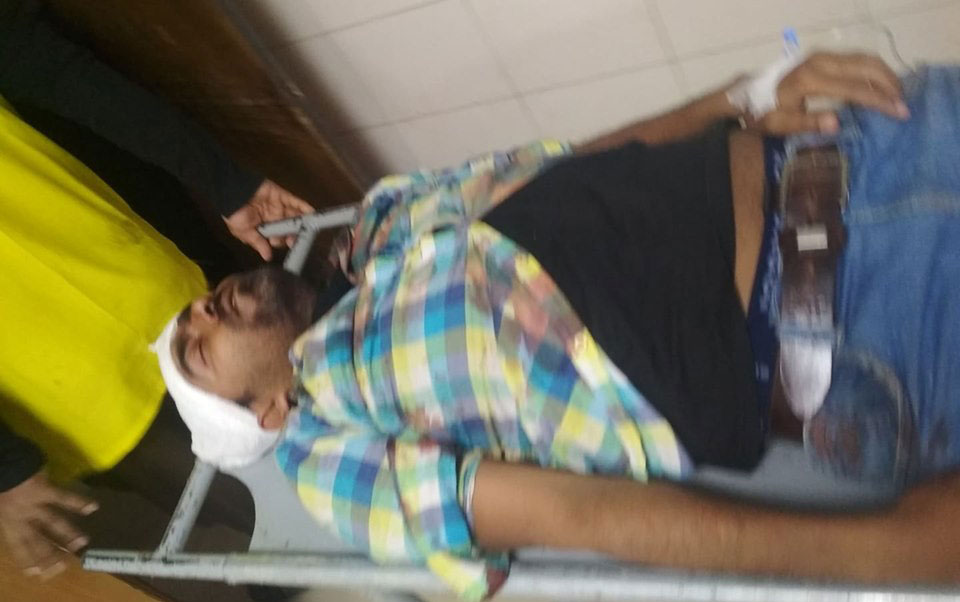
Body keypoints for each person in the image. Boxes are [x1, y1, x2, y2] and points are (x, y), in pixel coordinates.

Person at [156, 54, 960, 601]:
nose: (203, 311)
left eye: (194, 305)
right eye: (198, 351)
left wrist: (746, 95)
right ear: (265, 413)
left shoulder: (378, 225)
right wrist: (890, 552)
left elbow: (570, 163)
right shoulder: (324, 444)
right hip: (868, 322)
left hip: (872, 138)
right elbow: (582, 515)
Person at [0, 0, 314, 585]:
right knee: (245, 518)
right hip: (69, 394)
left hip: (153, 296)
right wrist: (6, 466)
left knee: (320, 433)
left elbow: (63, 76)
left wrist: (227, 182)